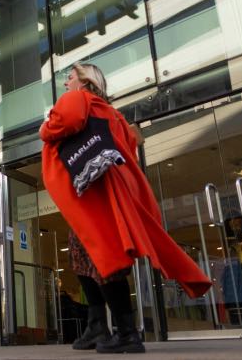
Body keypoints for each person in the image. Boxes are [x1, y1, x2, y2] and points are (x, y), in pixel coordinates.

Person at [41, 64, 211, 354]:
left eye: (70, 77)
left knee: (105, 256)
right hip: (104, 190)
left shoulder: (78, 99)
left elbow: (63, 121)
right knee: (83, 254)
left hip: (95, 193)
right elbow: (128, 146)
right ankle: (97, 323)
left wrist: (45, 127)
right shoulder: (111, 113)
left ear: (85, 81)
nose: (66, 83)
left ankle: (127, 332)